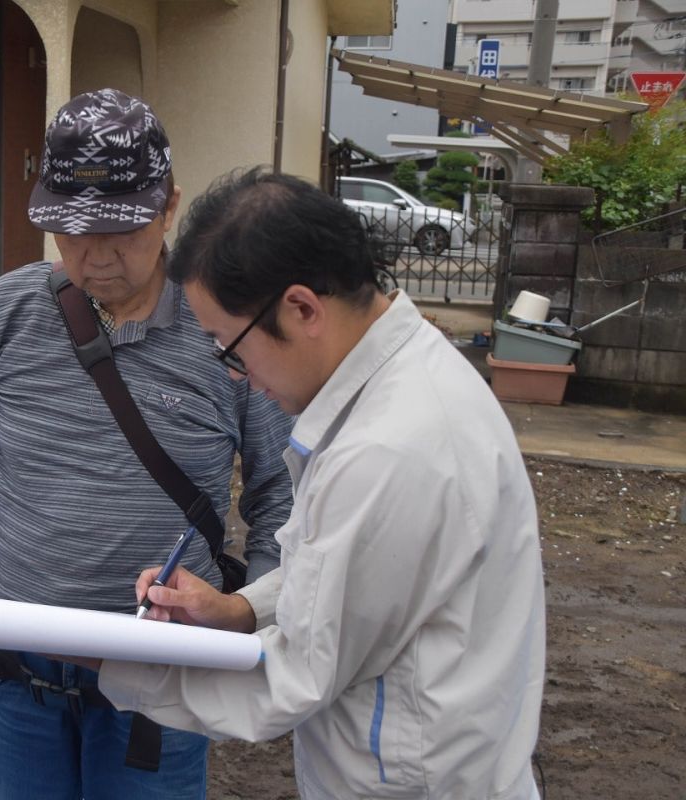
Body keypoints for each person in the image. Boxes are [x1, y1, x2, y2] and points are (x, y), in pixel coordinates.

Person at [87, 168, 546, 799]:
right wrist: (241, 608)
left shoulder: (389, 448)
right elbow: (342, 566)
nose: (236, 377)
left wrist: (111, 661)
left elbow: (293, 676)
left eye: (230, 347)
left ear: (302, 308)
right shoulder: (407, 380)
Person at [0, 89, 296, 799]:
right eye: (70, 230)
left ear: (169, 207)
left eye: (120, 230)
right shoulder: (11, 310)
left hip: (162, 686)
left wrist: (252, 620)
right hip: (22, 677)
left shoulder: (225, 328)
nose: (94, 257)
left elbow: (283, 496)